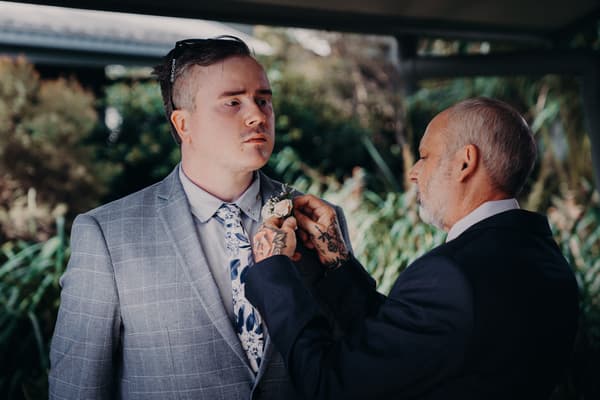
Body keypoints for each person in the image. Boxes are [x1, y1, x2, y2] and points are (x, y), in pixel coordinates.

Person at [48, 36, 352, 400]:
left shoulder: (320, 222)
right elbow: (77, 389)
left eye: (264, 100)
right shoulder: (108, 236)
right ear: (183, 124)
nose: (257, 114)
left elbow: (353, 360)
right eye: (232, 102)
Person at [245, 97, 580, 400]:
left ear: (466, 162)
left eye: (425, 156)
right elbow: (408, 343)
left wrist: (275, 270)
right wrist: (337, 261)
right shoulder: (547, 261)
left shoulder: (452, 276)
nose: (414, 173)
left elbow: (331, 385)